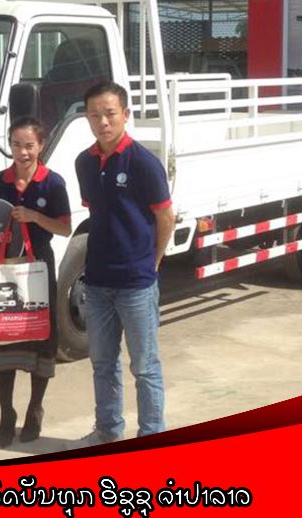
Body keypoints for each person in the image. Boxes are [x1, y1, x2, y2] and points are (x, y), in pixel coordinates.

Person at [69, 81, 176, 448]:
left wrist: (152, 263)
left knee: (144, 367)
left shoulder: (144, 163)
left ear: (126, 115)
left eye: (110, 113)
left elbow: (165, 218)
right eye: (94, 115)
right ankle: (107, 431)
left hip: (136, 284)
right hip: (97, 282)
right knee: (102, 364)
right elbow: (100, 214)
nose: (103, 122)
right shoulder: (84, 162)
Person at [0, 117, 71, 448]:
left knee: (41, 338)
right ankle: (6, 414)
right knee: (3, 336)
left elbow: (65, 228)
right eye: (16, 144)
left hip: (39, 269)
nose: (22, 152)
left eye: (29, 145)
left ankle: (35, 409)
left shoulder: (53, 183)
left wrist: (35, 217)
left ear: (41, 145)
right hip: (6, 267)